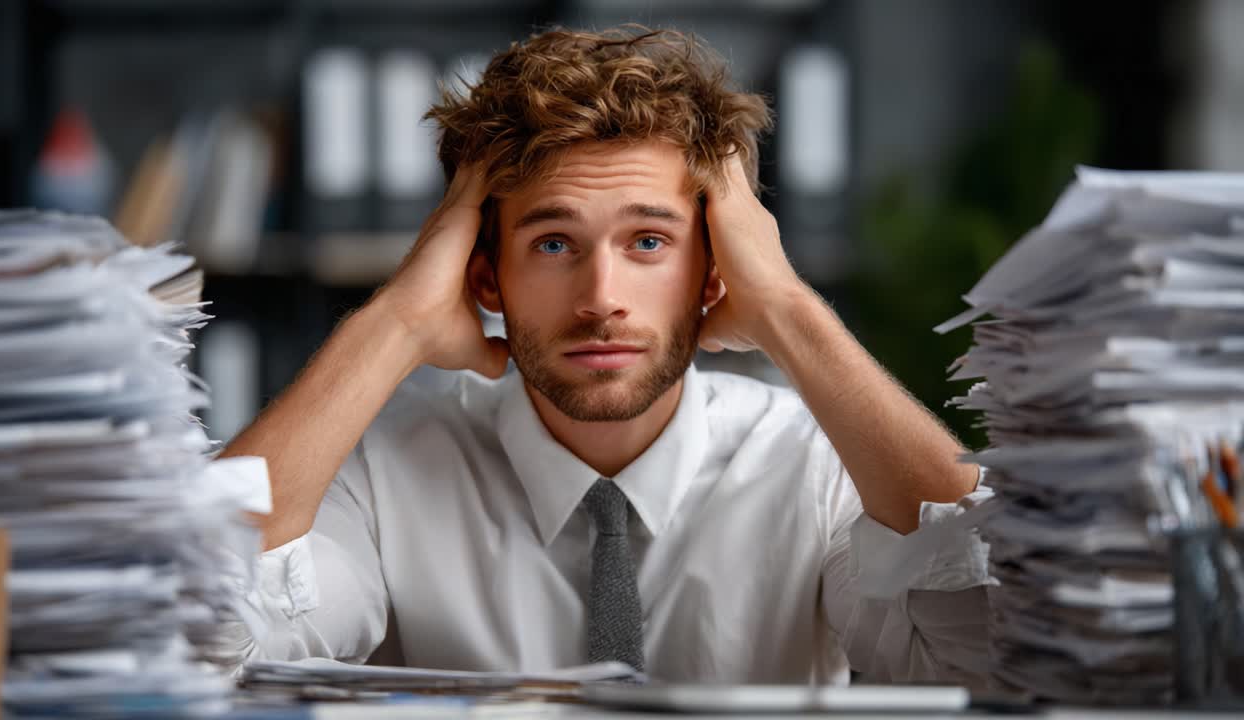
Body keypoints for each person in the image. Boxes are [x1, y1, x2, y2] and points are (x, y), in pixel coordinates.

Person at [223, 26, 993, 685]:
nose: (602, 297)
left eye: (649, 242)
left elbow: (994, 647)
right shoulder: (383, 469)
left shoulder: (813, 465)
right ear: (484, 274)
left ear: (716, 269)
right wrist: (394, 320)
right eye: (554, 242)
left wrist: (791, 310)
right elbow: (197, 640)